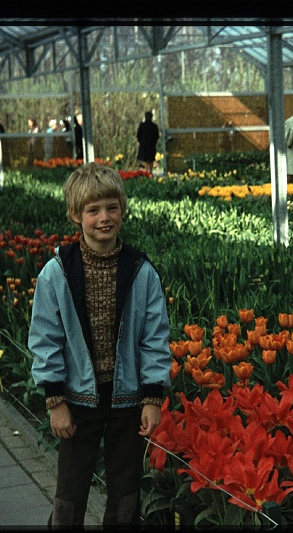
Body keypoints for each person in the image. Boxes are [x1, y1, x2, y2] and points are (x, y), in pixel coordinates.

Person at [29, 162, 172, 527]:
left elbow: (154, 339)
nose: (104, 218)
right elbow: (46, 338)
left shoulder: (141, 271)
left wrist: (152, 398)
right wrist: (55, 400)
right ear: (75, 215)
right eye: (93, 210)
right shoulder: (57, 272)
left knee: (126, 493)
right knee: (70, 492)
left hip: (127, 401)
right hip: (77, 401)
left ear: (123, 208)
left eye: (111, 207)